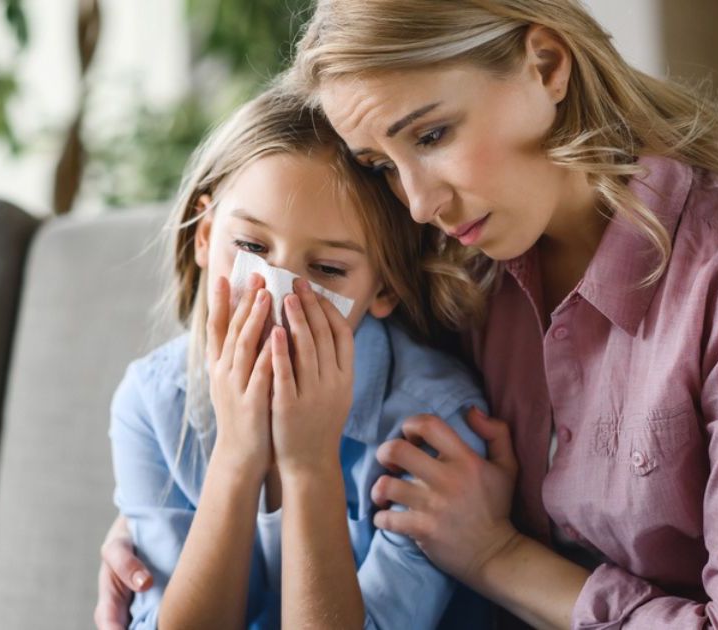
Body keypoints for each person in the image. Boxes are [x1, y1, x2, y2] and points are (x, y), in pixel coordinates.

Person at [100, 1, 718, 628]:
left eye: (434, 133)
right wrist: (174, 538)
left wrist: (497, 555)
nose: (418, 202)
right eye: (384, 165)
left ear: (545, 65)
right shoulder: (463, 270)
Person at [105, 84, 493, 629]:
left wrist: (308, 466)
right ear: (204, 234)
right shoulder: (152, 401)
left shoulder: (431, 425)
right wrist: (238, 455)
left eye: (328, 271)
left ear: (383, 290)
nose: (277, 292)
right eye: (250, 248)